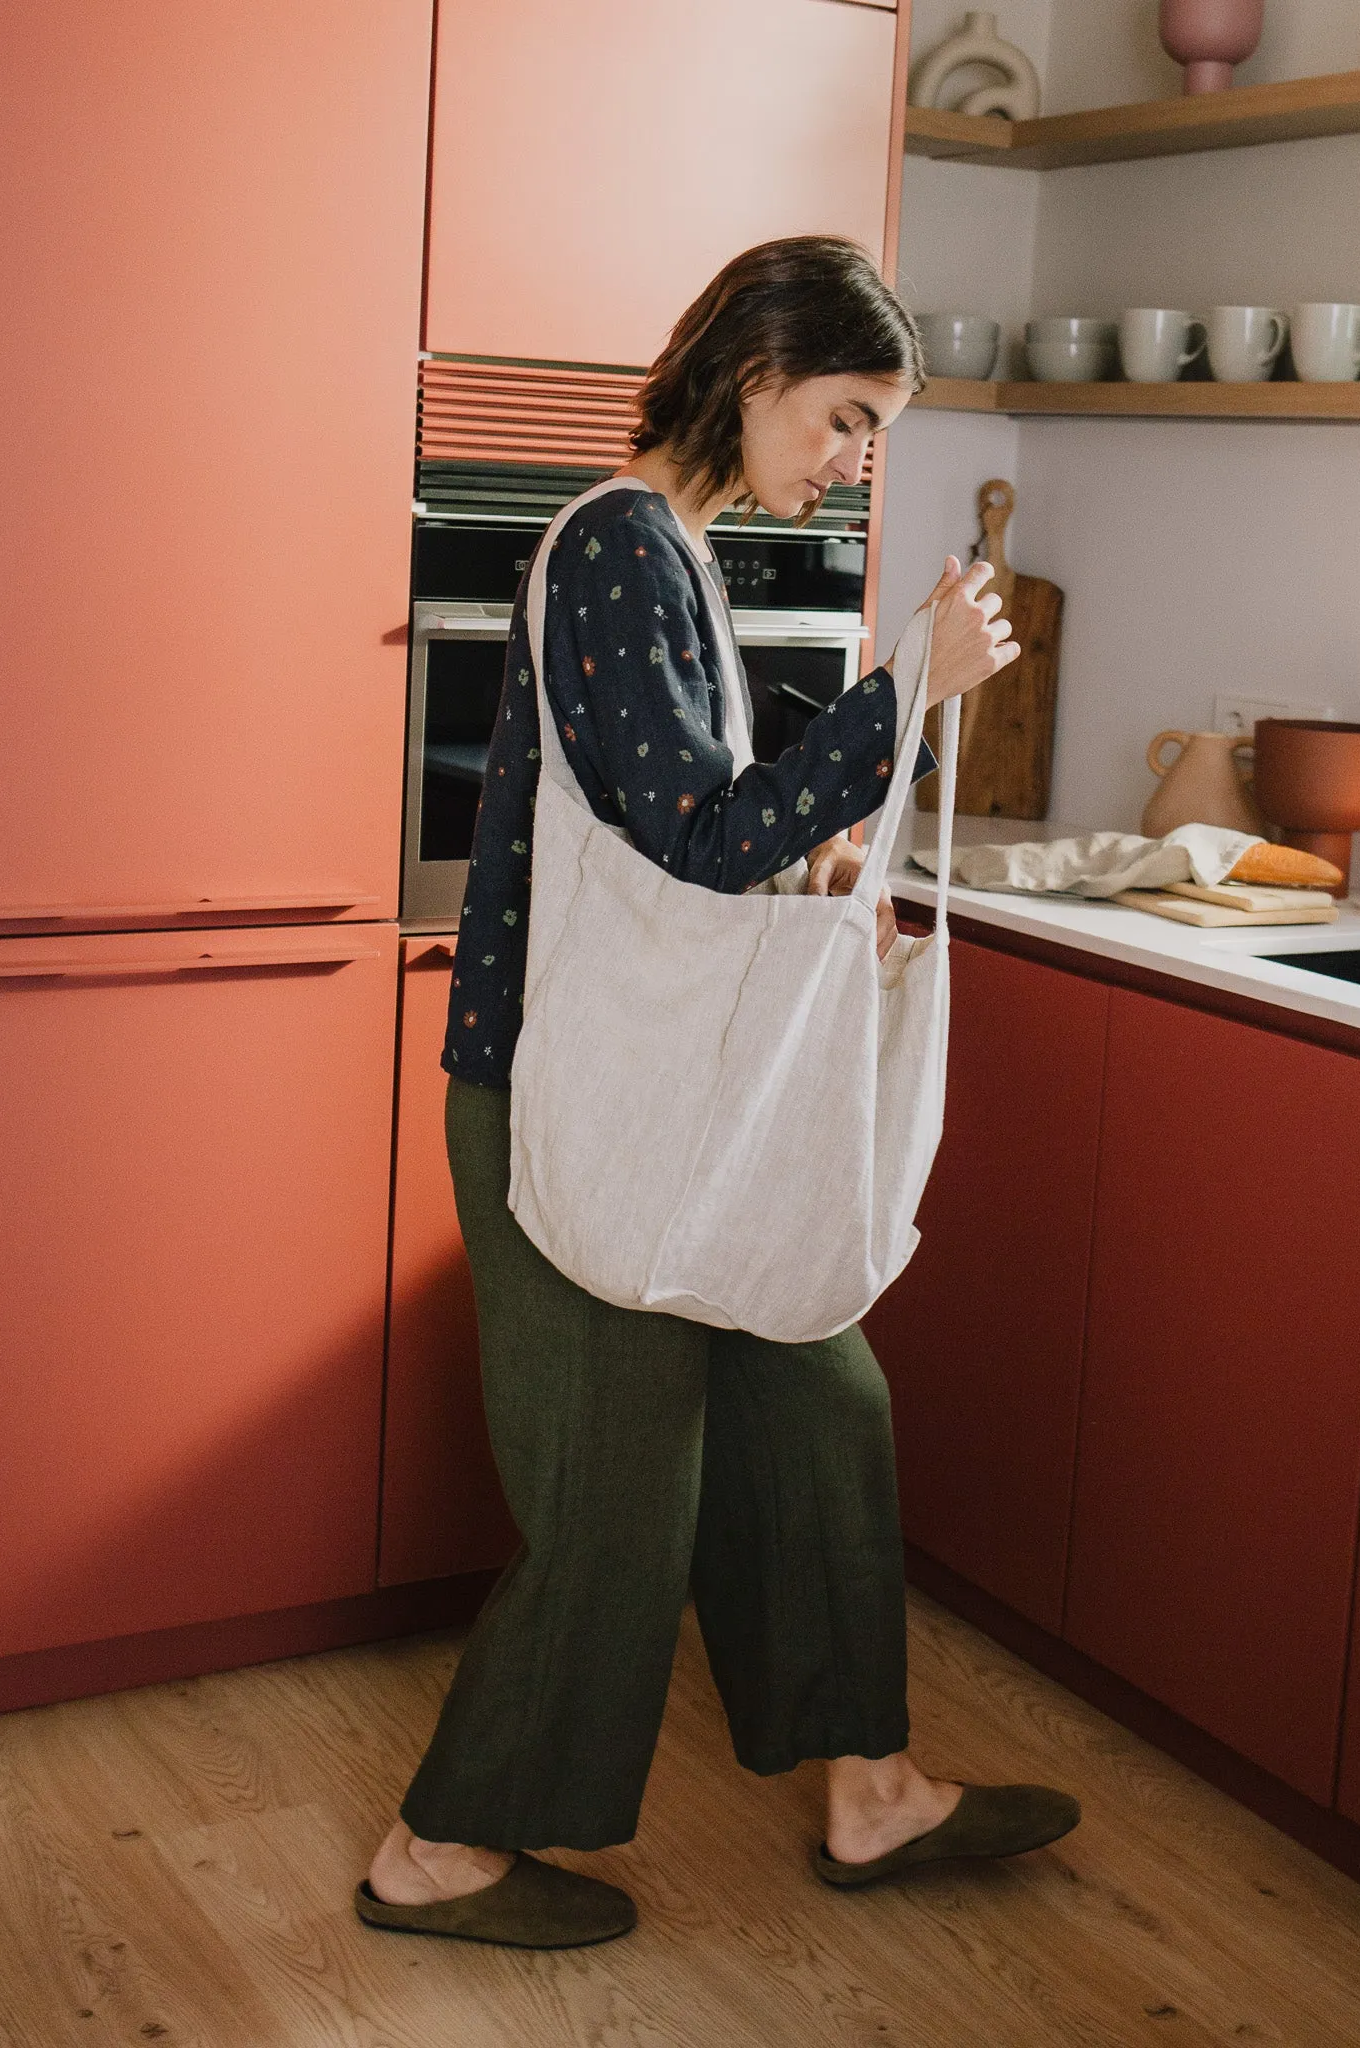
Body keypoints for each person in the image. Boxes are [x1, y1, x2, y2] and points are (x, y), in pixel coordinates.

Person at [356, 236, 1079, 1951]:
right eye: (843, 419)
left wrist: (823, 865)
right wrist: (907, 690)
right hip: (570, 1100)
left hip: (672, 1096)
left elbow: (680, 830)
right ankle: (437, 1855)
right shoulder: (616, 542)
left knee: (822, 1410)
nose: (849, 462)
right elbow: (686, 836)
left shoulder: (671, 551)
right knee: (617, 1500)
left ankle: (871, 1790)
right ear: (755, 372)